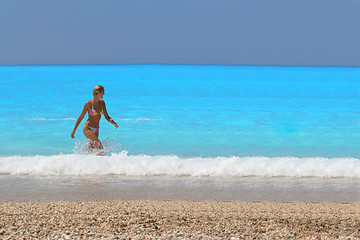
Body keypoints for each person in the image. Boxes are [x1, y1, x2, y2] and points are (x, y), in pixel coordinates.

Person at [71, 85, 118, 152]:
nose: (104, 94)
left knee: (90, 150)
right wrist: (74, 131)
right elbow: (81, 117)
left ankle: (84, 161)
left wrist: (114, 123)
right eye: (102, 92)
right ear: (98, 93)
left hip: (96, 129)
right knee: (100, 147)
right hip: (87, 128)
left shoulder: (102, 103)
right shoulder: (88, 104)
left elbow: (107, 116)